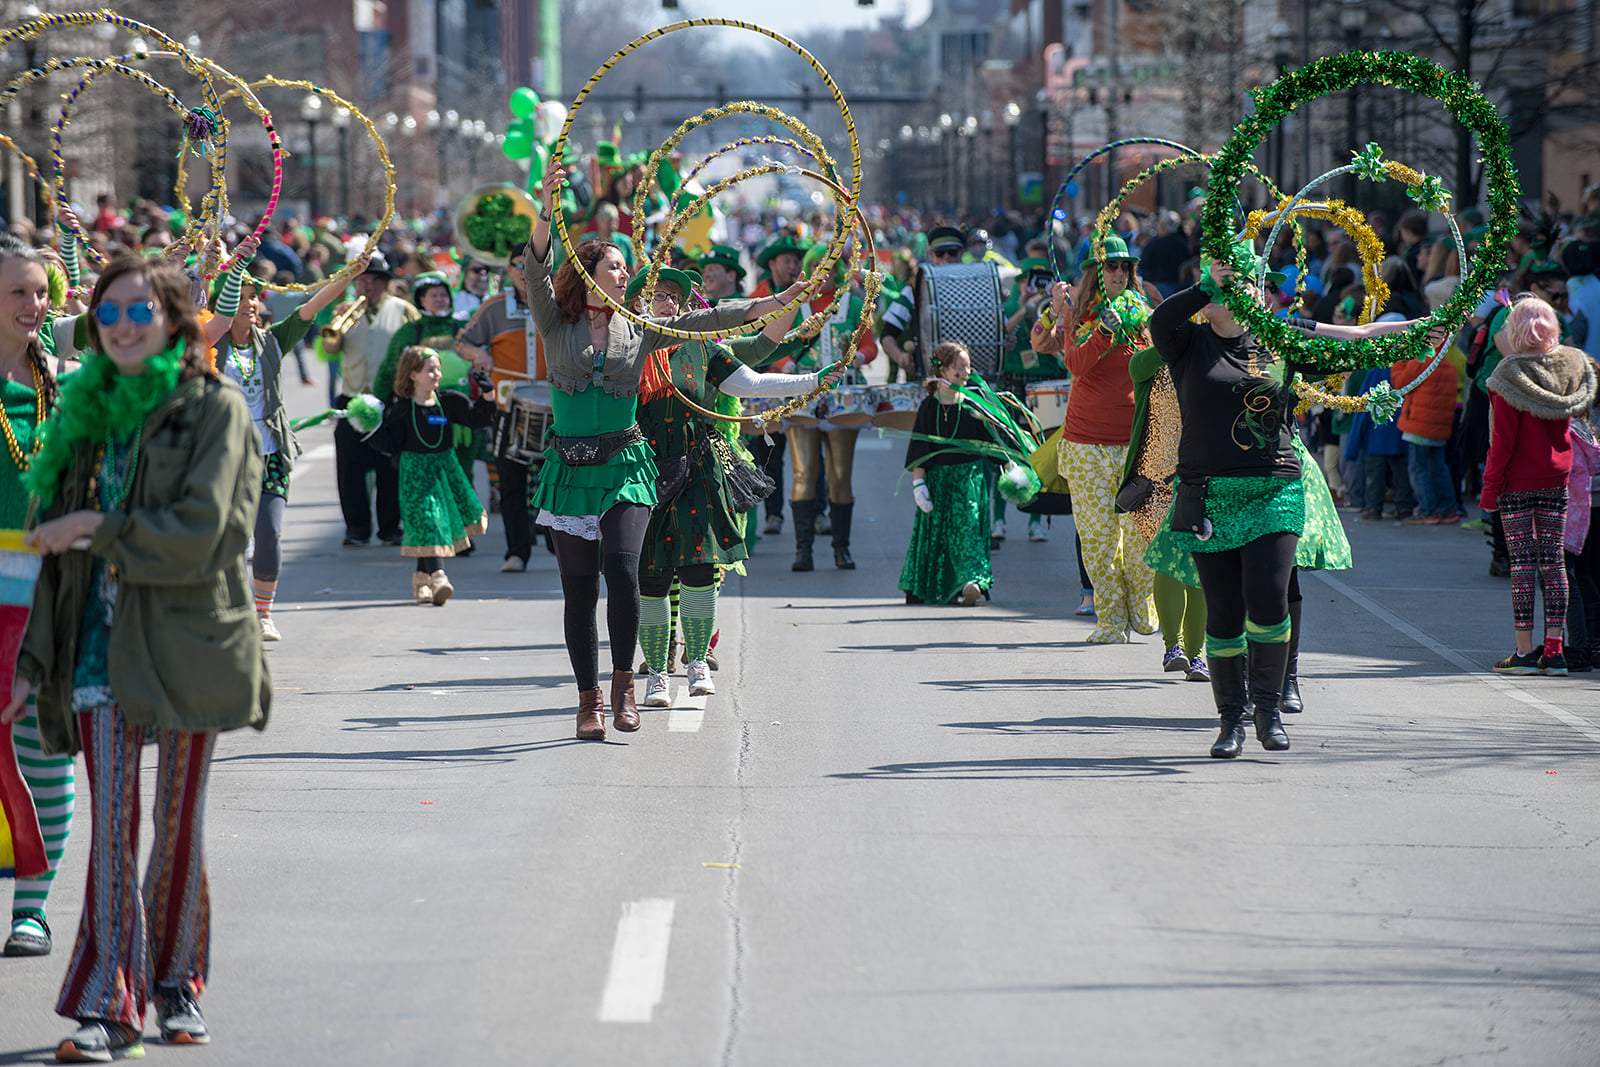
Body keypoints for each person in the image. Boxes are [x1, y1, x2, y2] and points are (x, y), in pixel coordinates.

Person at [4, 255, 269, 1060]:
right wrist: (31, 663)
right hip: (95, 647)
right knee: (113, 828)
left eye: (137, 312)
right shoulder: (82, 408)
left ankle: (177, 985)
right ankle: (110, 1003)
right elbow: (59, 561)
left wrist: (97, 527)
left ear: (173, 322)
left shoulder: (215, 408)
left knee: (176, 824)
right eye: (107, 313)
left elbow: (208, 534)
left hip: (188, 642)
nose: (120, 326)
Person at [525, 163, 811, 742]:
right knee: (578, 592)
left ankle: (626, 685)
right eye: (614, 265)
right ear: (587, 273)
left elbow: (710, 320)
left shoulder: (640, 328)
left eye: (626, 267)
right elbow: (536, 271)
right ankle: (587, 702)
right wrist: (544, 207)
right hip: (570, 468)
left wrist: (771, 301)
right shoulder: (555, 323)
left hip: (627, 463)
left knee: (625, 570)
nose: (624, 273)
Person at [1145, 251, 1432, 758]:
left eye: (1242, 283)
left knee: (1269, 594)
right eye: (1223, 284)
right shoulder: (1187, 341)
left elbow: (1352, 348)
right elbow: (1160, 318)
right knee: (1225, 612)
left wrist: (1419, 335)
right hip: (1208, 491)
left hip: (1274, 487)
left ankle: (1269, 710)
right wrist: (1206, 287)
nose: (1236, 291)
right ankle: (1230, 720)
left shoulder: (1279, 340)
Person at [630, 268, 825, 703]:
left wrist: (812, 380)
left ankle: (698, 663)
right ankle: (657, 673)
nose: (666, 303)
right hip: (641, 472)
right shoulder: (625, 350)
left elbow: (753, 381)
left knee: (700, 569)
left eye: (673, 297)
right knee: (651, 577)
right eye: (656, 295)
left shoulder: (702, 349)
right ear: (637, 305)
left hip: (697, 468)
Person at [215, 255, 359, 640]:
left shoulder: (274, 341)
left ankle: (263, 614)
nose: (249, 304)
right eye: (240, 297)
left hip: (270, 453)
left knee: (270, 531)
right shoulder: (209, 346)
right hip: (223, 457)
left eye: (253, 297)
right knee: (226, 538)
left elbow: (311, 306)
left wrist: (350, 274)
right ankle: (227, 607)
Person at [1031, 235, 1158, 644]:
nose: (1119, 273)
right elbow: (1076, 363)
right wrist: (1099, 329)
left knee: (1141, 536)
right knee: (1098, 538)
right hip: (1086, 444)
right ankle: (1109, 618)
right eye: (1109, 266)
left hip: (1137, 441)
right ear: (1094, 273)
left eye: (1124, 267)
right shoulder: (1077, 315)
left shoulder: (1145, 313)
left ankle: (1142, 606)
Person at [0, 239, 71, 960]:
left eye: (39, 291)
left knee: (43, 747)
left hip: (46, 586)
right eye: (18, 292)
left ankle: (33, 908)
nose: (33, 305)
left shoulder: (64, 384)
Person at [1481, 298, 1598, 675]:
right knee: (1554, 563)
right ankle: (1555, 650)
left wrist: (1489, 489)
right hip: (1558, 475)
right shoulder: (1570, 367)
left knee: (1522, 565)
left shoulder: (1508, 375)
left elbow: (1502, 443)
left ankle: (1524, 651)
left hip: (1517, 481)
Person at [762, 242, 877, 571]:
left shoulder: (853, 304)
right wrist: (783, 364)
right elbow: (773, 346)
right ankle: (804, 551)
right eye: (817, 269)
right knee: (803, 472)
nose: (823, 276)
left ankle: (842, 548)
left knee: (840, 474)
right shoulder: (795, 306)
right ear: (809, 271)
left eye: (830, 269)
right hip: (802, 396)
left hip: (842, 398)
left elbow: (870, 345)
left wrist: (860, 356)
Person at [366, 347, 496, 605]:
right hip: (416, 473)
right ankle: (438, 577)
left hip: (445, 471)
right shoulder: (402, 409)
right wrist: (368, 425)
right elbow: (389, 444)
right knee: (429, 521)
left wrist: (488, 392)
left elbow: (478, 419)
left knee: (434, 521)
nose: (437, 374)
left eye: (438, 369)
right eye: (430, 370)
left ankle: (421, 579)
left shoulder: (450, 401)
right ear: (413, 375)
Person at [1120, 344, 1209, 681]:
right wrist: (1174, 338)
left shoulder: (1212, 359)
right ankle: (1175, 646)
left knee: (1199, 563)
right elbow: (1135, 367)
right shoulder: (1154, 361)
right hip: (1156, 483)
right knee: (1170, 559)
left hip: (1200, 478)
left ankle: (1196, 654)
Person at [458, 248, 548, 572]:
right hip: (507, 407)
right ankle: (517, 552)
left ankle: (556, 540)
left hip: (555, 405)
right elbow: (463, 341)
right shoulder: (494, 308)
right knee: (511, 482)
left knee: (556, 478)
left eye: (533, 267)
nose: (525, 273)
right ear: (509, 271)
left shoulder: (557, 304)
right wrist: (477, 355)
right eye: (519, 267)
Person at [322, 252, 420, 546]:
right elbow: (330, 350)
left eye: (374, 281)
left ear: (386, 284)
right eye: (362, 281)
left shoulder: (403, 310)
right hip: (351, 398)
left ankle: (390, 527)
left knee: (388, 466)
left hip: (390, 399)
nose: (367, 287)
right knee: (349, 468)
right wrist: (337, 322)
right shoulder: (346, 312)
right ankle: (356, 527)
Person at [900, 342, 998, 606]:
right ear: (942, 371)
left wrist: (1009, 463)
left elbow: (992, 444)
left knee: (967, 529)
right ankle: (943, 583)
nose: (966, 373)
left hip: (968, 480)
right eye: (959, 368)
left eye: (968, 366)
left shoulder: (974, 404)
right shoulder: (929, 407)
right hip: (938, 481)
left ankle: (970, 581)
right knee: (937, 534)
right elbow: (920, 449)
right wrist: (918, 484)